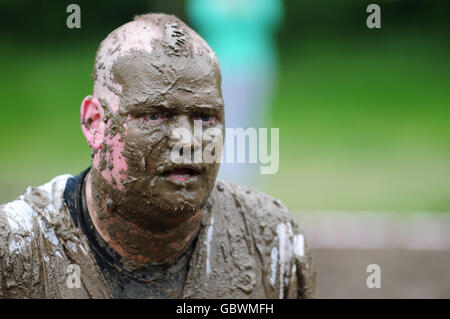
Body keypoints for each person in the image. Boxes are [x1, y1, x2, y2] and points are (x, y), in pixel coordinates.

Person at [0, 13, 315, 299]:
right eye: (154, 116)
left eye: (205, 117)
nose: (188, 142)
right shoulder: (19, 252)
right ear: (95, 123)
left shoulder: (270, 241)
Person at [187, 0, 284, 186]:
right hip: (218, 62)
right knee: (219, 120)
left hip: (255, 61)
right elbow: (200, 15)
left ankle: (250, 175)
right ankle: (223, 172)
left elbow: (273, 15)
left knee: (252, 119)